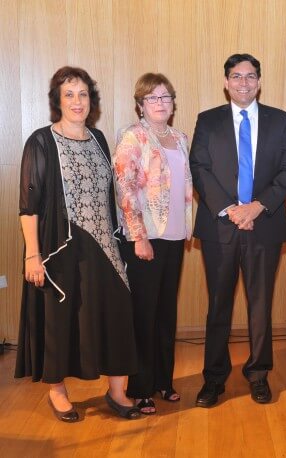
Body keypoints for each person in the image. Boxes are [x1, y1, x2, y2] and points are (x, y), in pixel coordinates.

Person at [15, 66, 140, 421]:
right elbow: (29, 205)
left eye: (83, 94)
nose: (77, 101)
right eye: (69, 94)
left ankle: (117, 391)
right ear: (57, 100)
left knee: (117, 314)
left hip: (104, 245)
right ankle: (57, 392)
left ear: (92, 100)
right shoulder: (41, 141)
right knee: (60, 320)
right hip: (61, 247)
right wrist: (32, 254)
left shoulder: (99, 139)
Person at [190, 53, 286, 407]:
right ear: (226, 82)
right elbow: (200, 167)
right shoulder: (207, 121)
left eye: (250, 76)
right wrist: (232, 209)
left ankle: (259, 374)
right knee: (218, 305)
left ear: (259, 81)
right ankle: (214, 379)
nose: (244, 83)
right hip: (220, 226)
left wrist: (256, 206)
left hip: (263, 224)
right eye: (236, 76)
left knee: (260, 304)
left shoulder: (281, 121)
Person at [113, 73, 192, 415]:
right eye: (152, 98)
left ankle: (164, 381)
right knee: (143, 314)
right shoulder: (133, 137)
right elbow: (124, 189)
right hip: (145, 238)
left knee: (165, 312)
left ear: (173, 103)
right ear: (140, 105)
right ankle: (141, 387)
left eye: (165, 97)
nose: (160, 103)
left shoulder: (179, 137)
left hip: (174, 236)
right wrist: (139, 236)